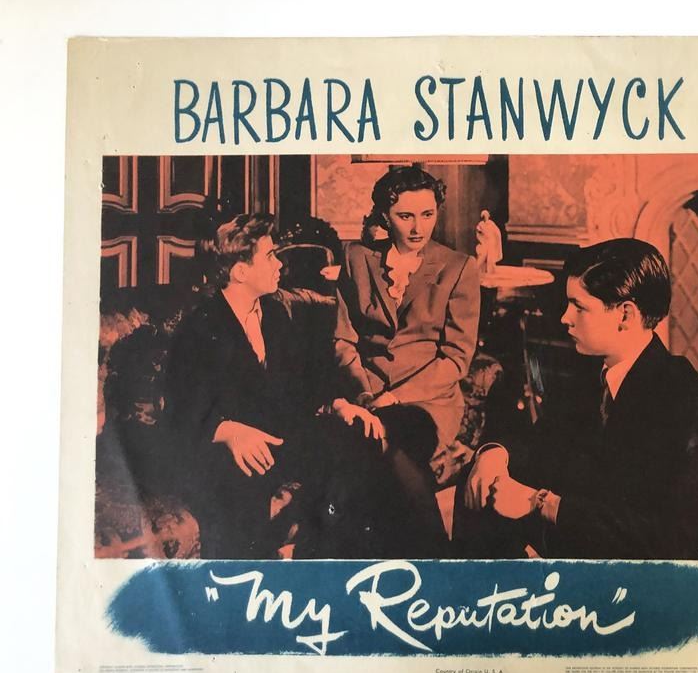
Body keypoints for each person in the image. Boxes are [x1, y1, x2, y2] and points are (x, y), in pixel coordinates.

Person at [463, 238, 698, 560]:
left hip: (663, 575)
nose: (565, 317)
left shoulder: (690, 405)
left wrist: (541, 503)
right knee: (476, 486)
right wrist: (494, 453)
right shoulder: (590, 374)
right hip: (588, 547)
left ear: (625, 314)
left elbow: (665, 539)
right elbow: (540, 440)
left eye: (579, 306)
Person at [163, 213, 381, 558]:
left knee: (357, 439)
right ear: (240, 271)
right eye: (269, 256)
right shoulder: (200, 327)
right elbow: (181, 410)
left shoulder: (275, 314)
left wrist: (340, 404)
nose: (280, 264)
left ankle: (316, 556)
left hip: (277, 437)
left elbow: (304, 383)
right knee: (242, 479)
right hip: (224, 448)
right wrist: (228, 431)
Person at [324, 165, 481, 556]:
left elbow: (456, 359)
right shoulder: (356, 258)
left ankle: (426, 557)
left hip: (428, 401)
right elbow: (344, 339)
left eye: (427, 214)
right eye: (405, 216)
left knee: (382, 445)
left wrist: (395, 397)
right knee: (377, 453)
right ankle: (435, 559)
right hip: (367, 395)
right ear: (384, 215)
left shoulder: (459, 268)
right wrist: (363, 394)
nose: (417, 227)